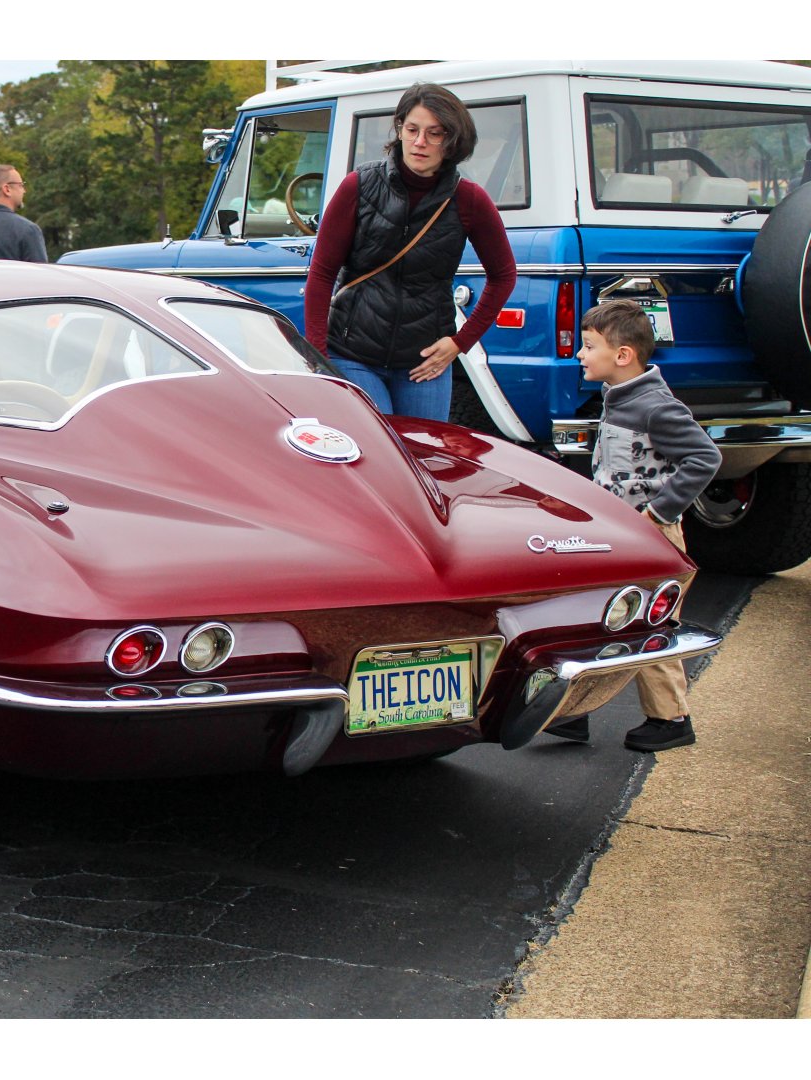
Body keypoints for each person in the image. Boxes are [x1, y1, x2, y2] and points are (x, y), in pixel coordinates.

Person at [545, 299, 722, 751]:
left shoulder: (655, 406)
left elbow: (705, 457)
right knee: (595, 618)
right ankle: (574, 712)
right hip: (616, 535)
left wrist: (658, 514)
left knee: (651, 625)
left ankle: (670, 719)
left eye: (589, 347)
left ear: (622, 355)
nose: (580, 354)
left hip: (651, 537)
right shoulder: (618, 396)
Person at [303, 82, 516, 421]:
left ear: (452, 139)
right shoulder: (359, 185)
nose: (420, 142)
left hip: (426, 360)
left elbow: (503, 276)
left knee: (424, 452)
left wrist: (460, 343)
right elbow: (321, 273)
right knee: (380, 446)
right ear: (399, 129)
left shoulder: (470, 200)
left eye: (434, 133)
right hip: (352, 353)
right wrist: (319, 356)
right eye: (412, 129)